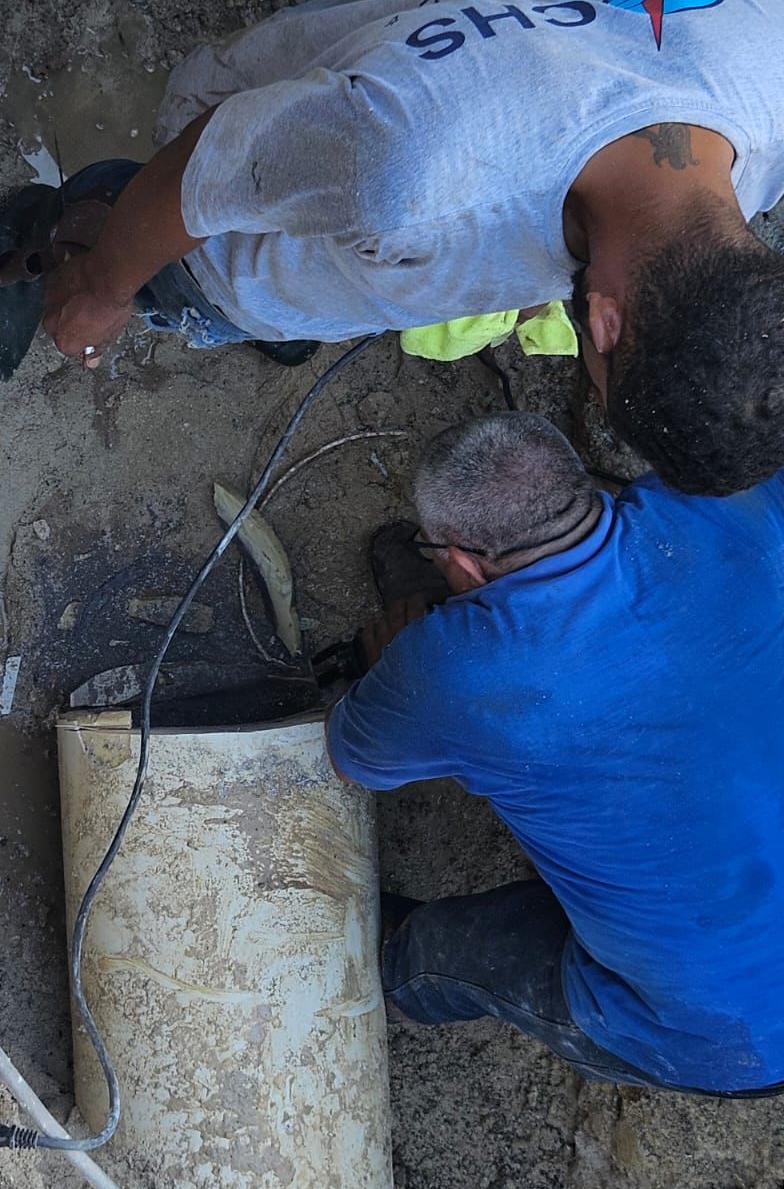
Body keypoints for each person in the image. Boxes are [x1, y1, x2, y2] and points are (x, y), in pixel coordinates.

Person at [40, 0, 784, 496]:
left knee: (310, 290)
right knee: (129, 236)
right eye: (597, 363)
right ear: (606, 323)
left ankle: (277, 318)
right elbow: (201, 163)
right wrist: (103, 287)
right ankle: (45, 235)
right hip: (239, 217)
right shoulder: (408, 171)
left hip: (397, 71)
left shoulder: (767, 62)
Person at [324, 412, 784, 1095]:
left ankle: (397, 976)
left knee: (444, 951)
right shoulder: (723, 500)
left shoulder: (464, 674)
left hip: (720, 1038)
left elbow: (351, 756)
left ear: (460, 561)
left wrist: (403, 664)